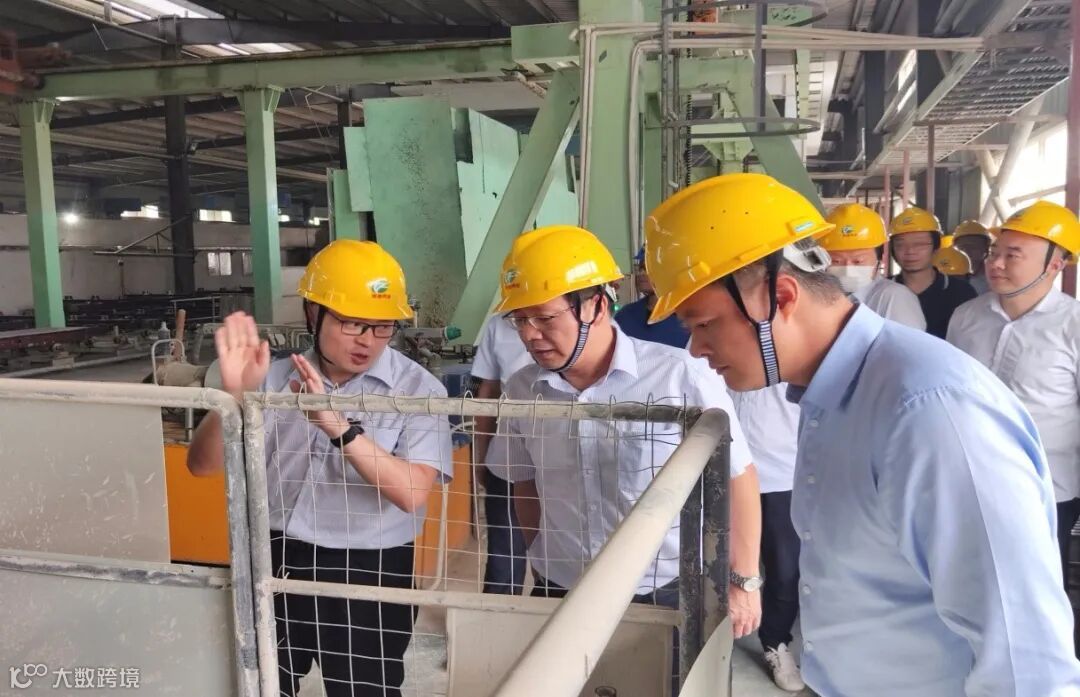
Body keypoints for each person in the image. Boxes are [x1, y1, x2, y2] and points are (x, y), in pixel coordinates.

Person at [644, 172, 1080, 696]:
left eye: (703, 324)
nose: (695, 349)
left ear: (780, 297)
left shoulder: (928, 410)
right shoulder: (833, 396)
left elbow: (1024, 659)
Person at [187, 240, 452, 697]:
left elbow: (412, 492)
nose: (367, 340)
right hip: (276, 554)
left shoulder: (417, 390)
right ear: (313, 313)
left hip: (369, 567)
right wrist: (232, 397)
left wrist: (338, 427)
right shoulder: (271, 378)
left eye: (382, 326)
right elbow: (201, 465)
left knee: (365, 689)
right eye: (352, 323)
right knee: (262, 682)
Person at [485, 224, 764, 640]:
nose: (529, 334)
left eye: (544, 317)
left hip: (662, 588)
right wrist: (540, 554)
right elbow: (524, 482)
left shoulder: (678, 376)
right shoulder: (523, 389)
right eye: (519, 320)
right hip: (561, 585)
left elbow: (738, 476)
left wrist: (744, 581)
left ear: (596, 306)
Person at [727, 202, 929, 693]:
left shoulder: (892, 339)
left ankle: (776, 642)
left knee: (787, 567)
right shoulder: (764, 328)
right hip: (734, 464)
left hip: (785, 468)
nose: (846, 267)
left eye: (858, 258)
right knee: (731, 564)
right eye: (837, 256)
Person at [947, 200, 1080, 585]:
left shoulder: (1072, 325)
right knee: (970, 580)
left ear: (1055, 264)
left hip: (1047, 488)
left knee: (1038, 586)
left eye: (1013, 255)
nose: (996, 264)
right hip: (971, 478)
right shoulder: (967, 317)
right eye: (994, 253)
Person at [470, 314, 533, 594]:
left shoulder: (583, 318)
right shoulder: (499, 325)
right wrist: (481, 454)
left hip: (564, 463)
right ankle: (496, 618)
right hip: (508, 459)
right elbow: (489, 390)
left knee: (561, 564)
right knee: (503, 560)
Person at [820, 203, 926, 330]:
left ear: (880, 257)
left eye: (858, 261)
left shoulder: (894, 297)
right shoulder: (820, 298)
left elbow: (907, 342)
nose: (848, 269)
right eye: (836, 261)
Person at [891, 206, 977, 338]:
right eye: (900, 245)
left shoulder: (962, 293)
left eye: (919, 244)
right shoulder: (883, 292)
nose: (910, 251)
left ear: (936, 246)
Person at [614, 246, 691, 347]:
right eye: (640, 269)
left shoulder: (689, 320)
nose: (641, 273)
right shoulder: (626, 315)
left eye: (648, 268)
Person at [950, 219, 994, 294]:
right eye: (962, 247)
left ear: (986, 248)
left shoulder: (994, 279)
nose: (966, 251)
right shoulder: (948, 276)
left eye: (973, 246)